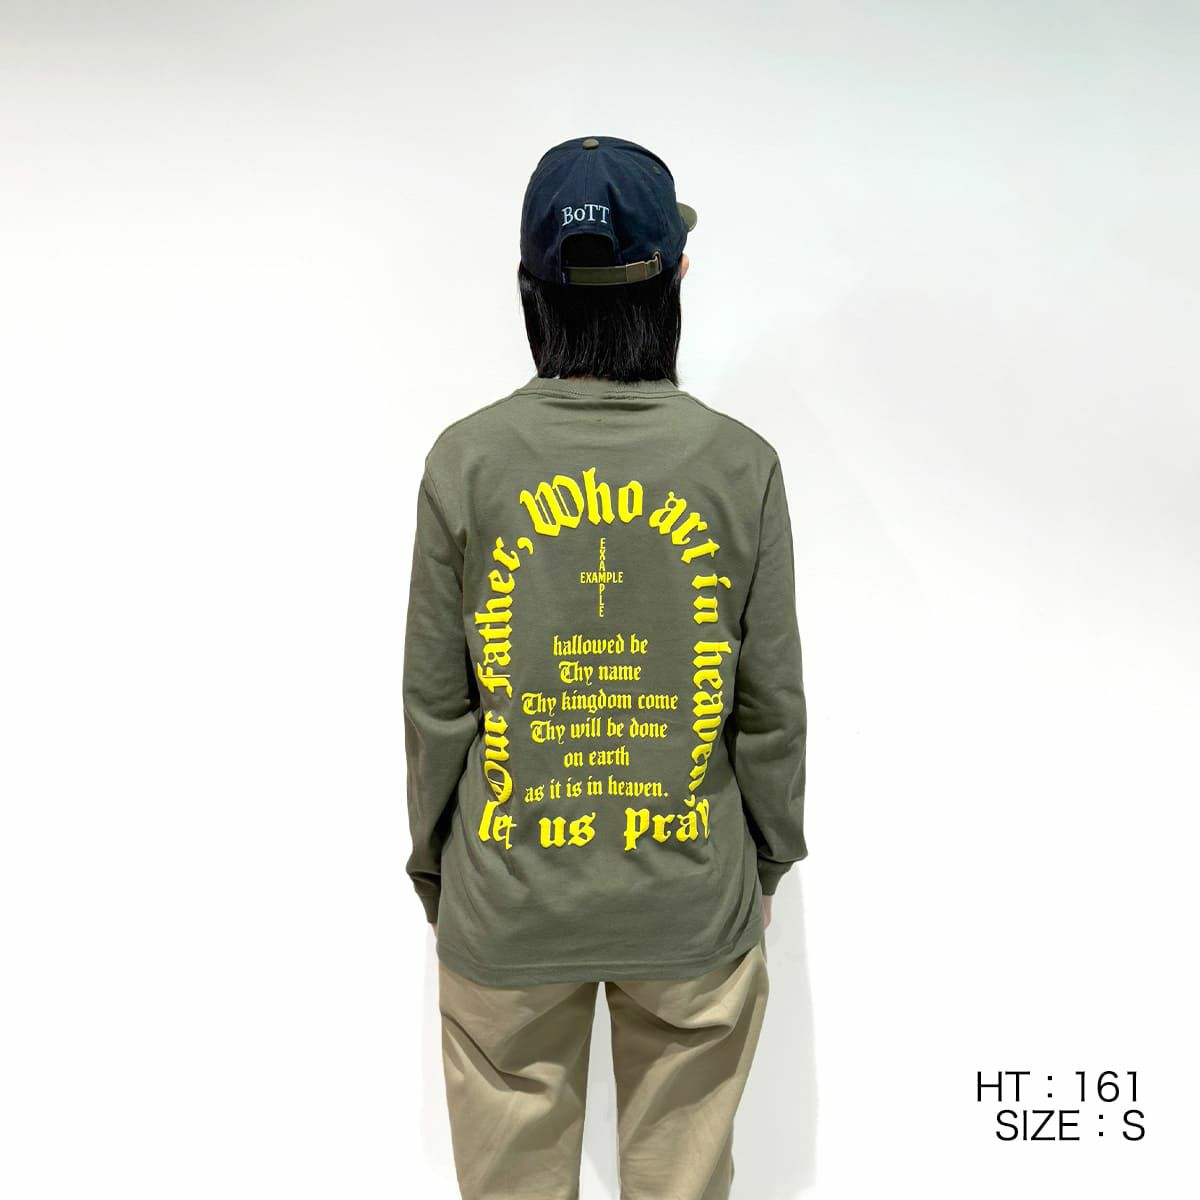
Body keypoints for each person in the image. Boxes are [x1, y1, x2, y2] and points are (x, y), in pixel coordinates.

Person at [403, 134, 808, 1200]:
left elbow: (436, 706)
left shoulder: (467, 463)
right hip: (689, 899)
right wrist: (766, 864)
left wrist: (439, 874)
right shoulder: (740, 466)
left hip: (507, 896)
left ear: (528, 287)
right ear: (676, 278)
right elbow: (771, 709)